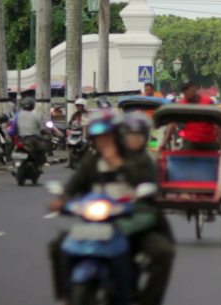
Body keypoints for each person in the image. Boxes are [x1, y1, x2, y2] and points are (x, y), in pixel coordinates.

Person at [48, 110, 175, 305]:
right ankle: (66, 295)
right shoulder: (93, 160)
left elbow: (149, 184)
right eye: (99, 138)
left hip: (135, 223)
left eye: (107, 137)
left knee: (163, 252)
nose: (102, 142)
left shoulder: (138, 159)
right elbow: (75, 183)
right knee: (58, 245)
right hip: (96, 223)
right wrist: (62, 199)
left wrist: (117, 162)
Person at [160, 80, 221, 152]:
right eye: (184, 90)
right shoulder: (182, 104)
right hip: (190, 142)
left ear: (194, 88)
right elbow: (172, 124)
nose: (186, 92)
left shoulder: (207, 102)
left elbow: (216, 124)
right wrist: (163, 144)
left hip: (208, 141)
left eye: (187, 89)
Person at [16, 97, 49, 170]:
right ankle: (39, 166)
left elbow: (13, 126)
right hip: (32, 139)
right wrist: (47, 133)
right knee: (43, 147)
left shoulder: (18, 115)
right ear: (32, 106)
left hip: (21, 139)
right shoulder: (35, 115)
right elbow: (42, 128)